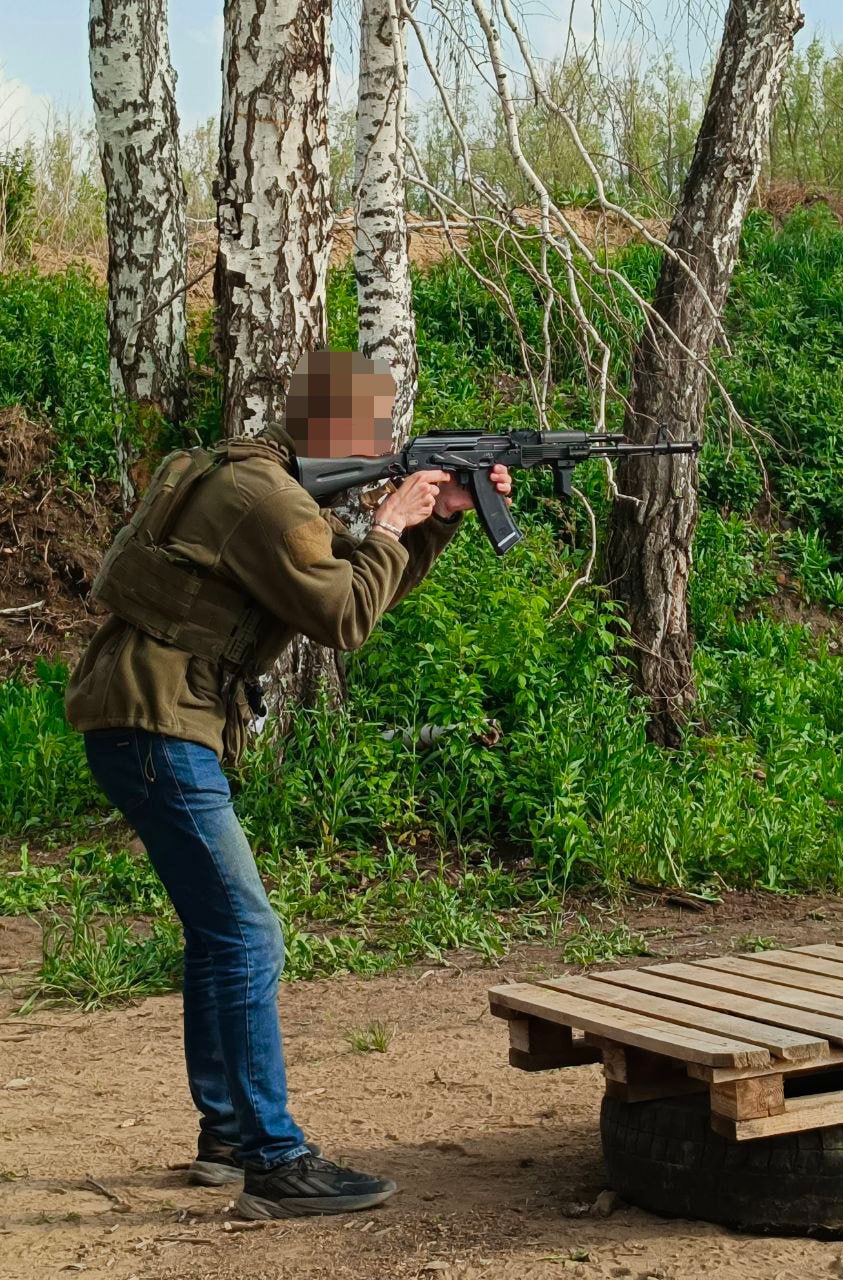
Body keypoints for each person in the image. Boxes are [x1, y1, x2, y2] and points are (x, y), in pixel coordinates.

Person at [65, 350, 512, 1220]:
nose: (388, 446)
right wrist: (391, 523)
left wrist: (435, 521)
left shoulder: (246, 473)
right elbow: (344, 614)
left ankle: (230, 1136)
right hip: (158, 724)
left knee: (220, 935)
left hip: (151, 718)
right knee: (248, 933)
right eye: (379, 435)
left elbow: (344, 589)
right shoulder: (266, 500)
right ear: (335, 432)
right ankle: (274, 1159)